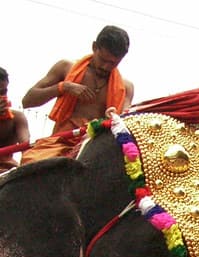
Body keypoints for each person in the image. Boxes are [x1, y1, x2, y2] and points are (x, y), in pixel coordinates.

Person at [20, 25, 133, 163]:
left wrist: (113, 115)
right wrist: (63, 87)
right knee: (31, 163)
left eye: (113, 63)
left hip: (97, 148)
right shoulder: (66, 68)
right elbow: (27, 101)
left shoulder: (126, 88)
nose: (106, 67)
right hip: (59, 143)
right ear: (94, 47)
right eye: (103, 60)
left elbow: (123, 124)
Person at [0, 68, 30, 171]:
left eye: (4, 92)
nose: (2, 97)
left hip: (7, 170)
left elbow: (27, 147)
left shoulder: (17, 117)